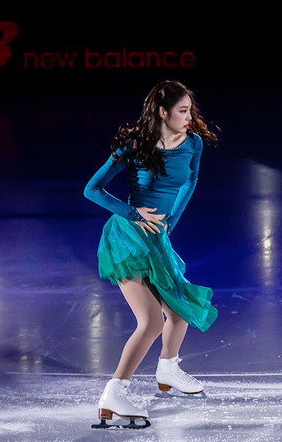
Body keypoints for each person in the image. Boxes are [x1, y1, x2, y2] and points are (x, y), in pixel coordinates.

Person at [84, 80, 218, 423]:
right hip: (127, 239)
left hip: (157, 239)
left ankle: (168, 369)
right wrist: (133, 213)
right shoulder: (135, 146)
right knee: (150, 323)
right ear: (163, 112)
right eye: (182, 111)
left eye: (190, 110)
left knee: (180, 308)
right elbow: (92, 189)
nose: (189, 117)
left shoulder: (193, 144)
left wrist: (170, 220)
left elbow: (190, 181)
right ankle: (115, 393)